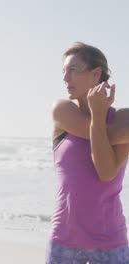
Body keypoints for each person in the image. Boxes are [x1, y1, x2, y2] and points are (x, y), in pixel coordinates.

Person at [50, 42, 129, 263]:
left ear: (96, 74)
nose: (65, 78)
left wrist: (98, 116)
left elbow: (105, 173)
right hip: (63, 239)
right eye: (64, 72)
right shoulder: (62, 110)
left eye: (73, 70)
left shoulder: (124, 118)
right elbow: (104, 136)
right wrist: (100, 120)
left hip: (110, 242)